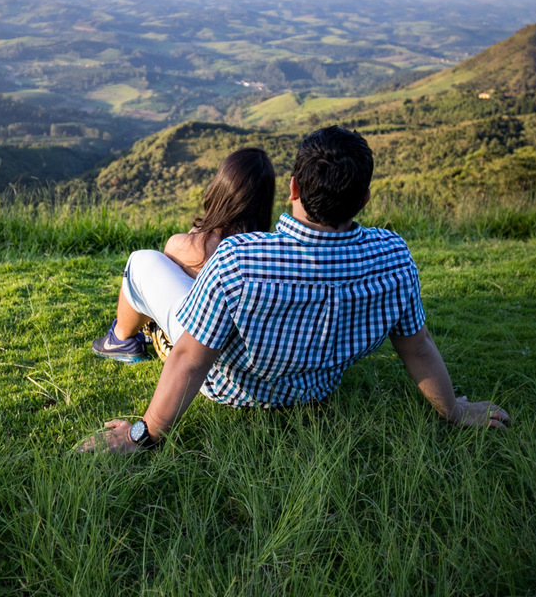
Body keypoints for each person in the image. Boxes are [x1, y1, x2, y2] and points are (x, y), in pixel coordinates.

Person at [80, 126, 509, 454]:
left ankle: (121, 341)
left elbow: (191, 358)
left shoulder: (238, 259)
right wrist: (453, 410)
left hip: (230, 388)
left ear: (293, 189)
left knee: (142, 261)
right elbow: (417, 346)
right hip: (315, 388)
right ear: (364, 200)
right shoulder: (393, 258)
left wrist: (143, 434)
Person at [90, 147, 276, 364]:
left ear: (220, 188)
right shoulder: (268, 253)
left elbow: (165, 277)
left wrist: (200, 232)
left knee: (141, 260)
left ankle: (120, 339)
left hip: (199, 353)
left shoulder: (190, 246)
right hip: (246, 354)